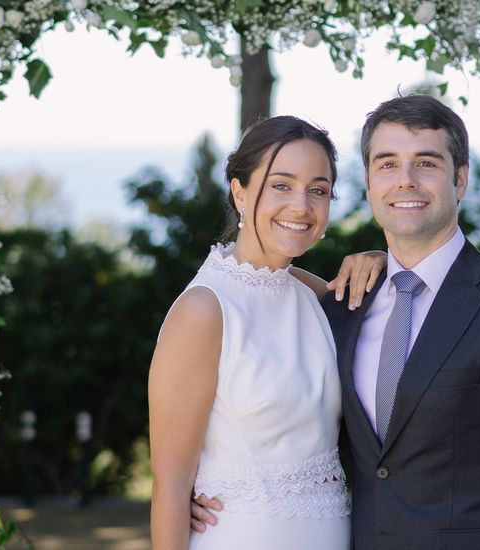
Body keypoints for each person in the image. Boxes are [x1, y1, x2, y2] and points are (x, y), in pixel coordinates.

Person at [193, 95, 480, 549]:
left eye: (426, 163)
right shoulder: (342, 306)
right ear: (368, 182)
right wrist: (199, 488)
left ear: (460, 179)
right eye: (387, 164)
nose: (405, 181)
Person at [148, 115, 384, 550]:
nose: (301, 206)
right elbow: (170, 486)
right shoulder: (204, 310)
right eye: (281, 185)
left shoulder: (313, 294)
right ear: (240, 192)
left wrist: (381, 259)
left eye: (318, 190)